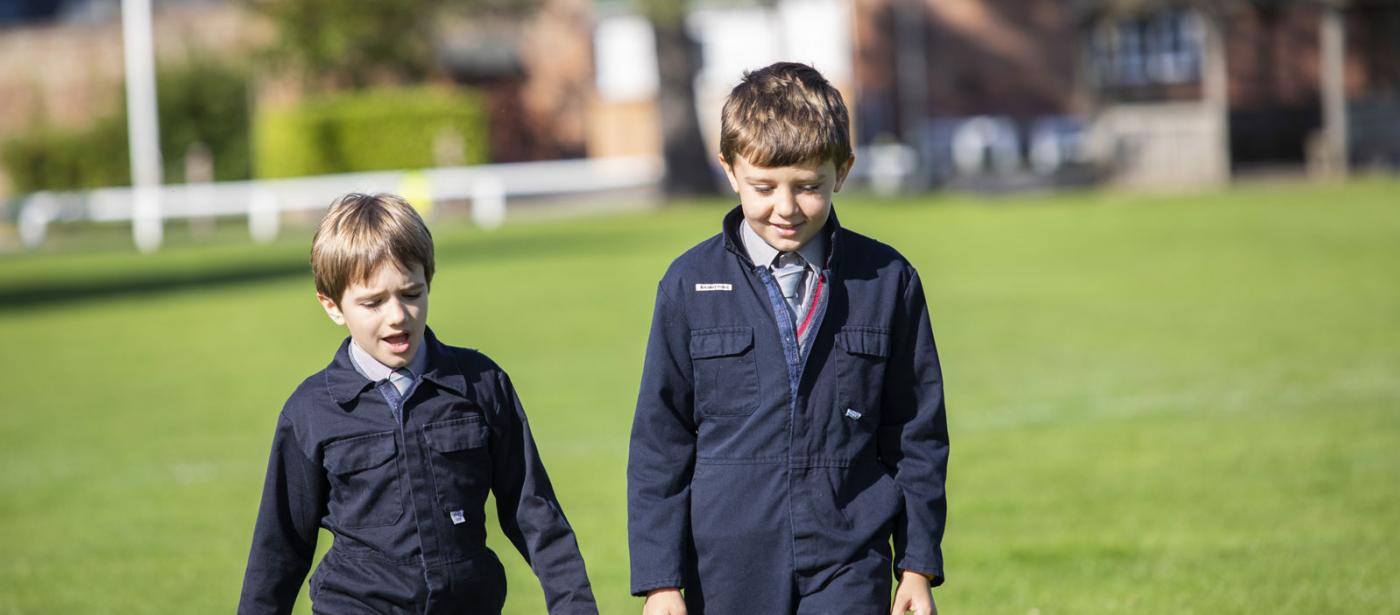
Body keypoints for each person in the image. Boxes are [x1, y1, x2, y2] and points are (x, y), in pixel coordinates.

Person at [627, 62, 950, 615]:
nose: (785, 207)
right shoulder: (686, 284)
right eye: (763, 186)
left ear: (841, 172)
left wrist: (917, 563)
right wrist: (661, 583)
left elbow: (917, 434)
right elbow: (661, 443)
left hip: (849, 556)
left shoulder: (888, 280)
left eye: (808, 187)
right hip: (726, 565)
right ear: (729, 169)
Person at [238, 193, 597, 614]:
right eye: (372, 302)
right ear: (332, 306)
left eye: (411, 293)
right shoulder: (310, 411)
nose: (397, 315)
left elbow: (534, 513)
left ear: (429, 280)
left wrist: (576, 606)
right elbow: (279, 550)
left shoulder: (481, 384)